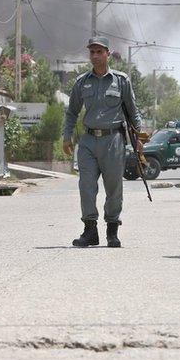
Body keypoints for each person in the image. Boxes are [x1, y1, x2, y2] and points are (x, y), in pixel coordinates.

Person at [62, 36, 143, 248]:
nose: (95, 56)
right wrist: (66, 136)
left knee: (114, 188)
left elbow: (133, 113)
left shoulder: (121, 80)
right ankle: (90, 231)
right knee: (86, 187)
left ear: (108, 53)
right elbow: (71, 112)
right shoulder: (82, 82)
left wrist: (139, 137)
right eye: (92, 52)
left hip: (113, 140)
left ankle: (112, 231)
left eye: (99, 51)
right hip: (88, 141)